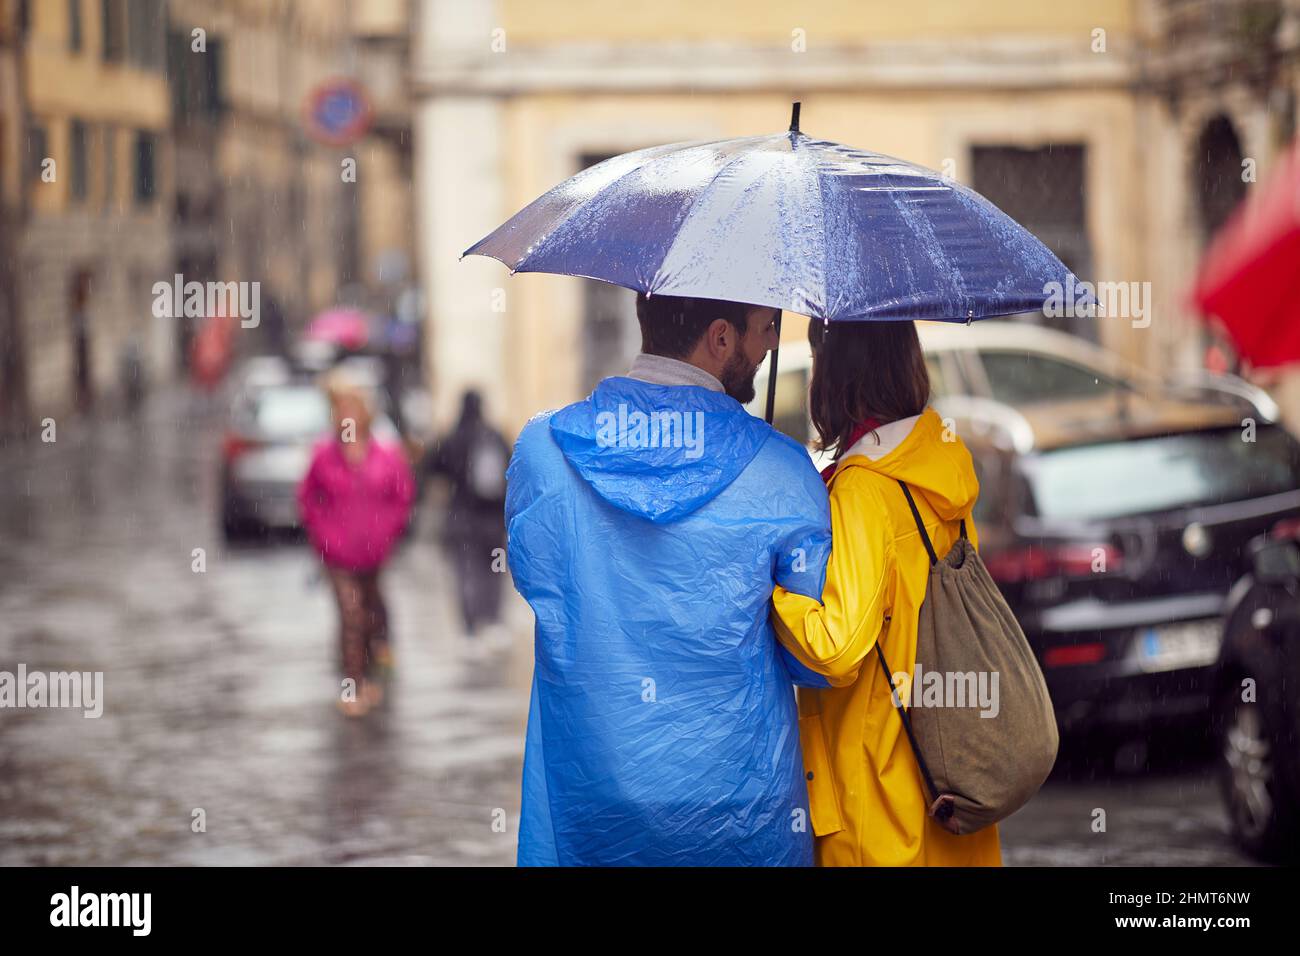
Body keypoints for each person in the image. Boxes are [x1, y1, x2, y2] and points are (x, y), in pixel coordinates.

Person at [505, 293, 832, 866]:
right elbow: (809, 653)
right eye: (766, 328)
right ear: (721, 338)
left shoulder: (543, 451)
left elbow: (539, 578)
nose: (773, 345)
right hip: (740, 805)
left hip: (593, 792)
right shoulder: (784, 470)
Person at [770, 318, 1002, 866]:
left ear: (835, 376)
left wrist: (775, 595)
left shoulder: (865, 488)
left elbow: (839, 647)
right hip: (948, 783)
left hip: (879, 798)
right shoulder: (940, 462)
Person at [298, 374, 415, 718]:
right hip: (337, 555)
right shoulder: (324, 457)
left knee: (370, 613)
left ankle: (370, 670)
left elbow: (402, 496)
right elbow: (308, 500)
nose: (347, 417)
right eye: (341, 410)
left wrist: (386, 532)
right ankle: (352, 685)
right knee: (350, 613)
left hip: (373, 553)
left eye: (353, 409)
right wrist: (324, 535)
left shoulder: (386, 456)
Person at [427, 389, 510, 645]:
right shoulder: (494, 436)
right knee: (494, 571)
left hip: (461, 516)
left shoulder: (452, 437)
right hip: (493, 517)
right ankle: (492, 620)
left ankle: (470, 625)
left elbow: (432, 468)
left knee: (466, 572)